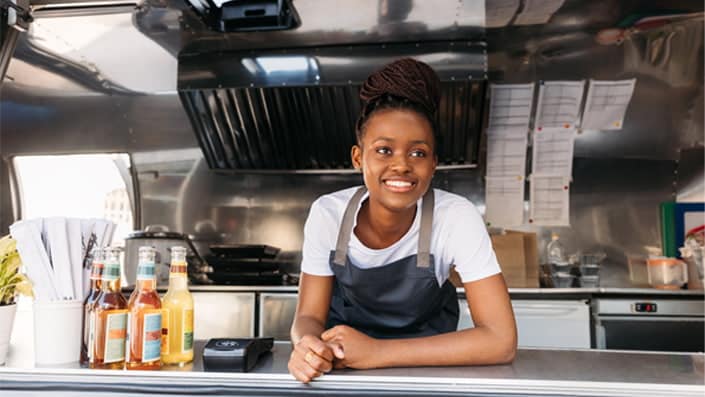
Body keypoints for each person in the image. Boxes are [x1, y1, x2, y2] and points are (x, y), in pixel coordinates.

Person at [288, 58, 517, 383]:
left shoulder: (455, 217)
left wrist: (378, 353)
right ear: (358, 157)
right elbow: (309, 316)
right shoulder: (328, 214)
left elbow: (501, 340)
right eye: (383, 150)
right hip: (343, 375)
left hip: (428, 376)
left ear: (434, 163)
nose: (401, 165)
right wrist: (307, 346)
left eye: (418, 153)